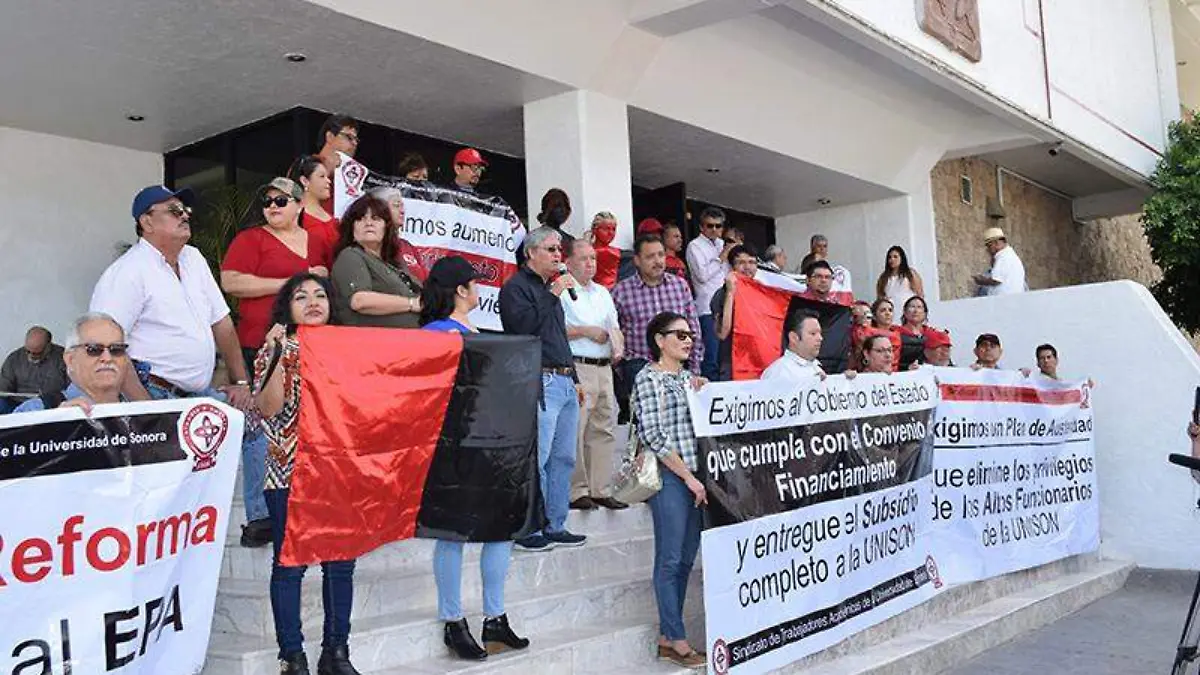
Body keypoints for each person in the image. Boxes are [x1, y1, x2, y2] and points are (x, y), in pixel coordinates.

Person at [91, 185, 268, 547]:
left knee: (251, 422)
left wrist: (241, 383)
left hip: (195, 394)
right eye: (173, 210)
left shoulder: (194, 259)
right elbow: (107, 346)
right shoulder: (128, 272)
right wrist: (146, 410)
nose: (185, 214)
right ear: (146, 222)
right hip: (150, 393)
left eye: (185, 209)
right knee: (164, 492)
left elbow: (222, 323)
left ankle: (260, 519)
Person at [417, 256, 530, 661]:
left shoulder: (475, 332)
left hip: (494, 443)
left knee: (500, 530)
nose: (478, 289)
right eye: (474, 283)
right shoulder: (435, 333)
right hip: (454, 446)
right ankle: (453, 621)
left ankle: (495, 618)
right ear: (461, 290)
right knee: (452, 532)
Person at [253, 273, 361, 675]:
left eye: (320, 295)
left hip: (340, 473)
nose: (313, 301)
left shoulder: (348, 351)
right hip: (291, 474)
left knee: (341, 564)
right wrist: (277, 353)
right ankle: (292, 657)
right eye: (301, 297)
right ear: (288, 309)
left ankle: (336, 653)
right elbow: (269, 408)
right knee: (290, 565)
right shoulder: (275, 349)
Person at [498, 226, 587, 552]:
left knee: (563, 458)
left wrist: (574, 377)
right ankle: (527, 527)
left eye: (559, 250)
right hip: (540, 379)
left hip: (563, 379)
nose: (557, 255)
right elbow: (523, 329)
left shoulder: (551, 290)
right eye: (550, 249)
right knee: (538, 457)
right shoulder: (515, 288)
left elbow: (557, 337)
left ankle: (555, 524)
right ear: (530, 252)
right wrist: (552, 295)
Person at [632, 311, 708, 669]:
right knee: (671, 559)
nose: (687, 340)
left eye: (689, 335)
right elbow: (654, 435)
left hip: (695, 478)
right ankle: (676, 639)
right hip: (670, 479)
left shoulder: (689, 379)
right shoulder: (648, 379)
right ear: (659, 340)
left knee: (686, 558)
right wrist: (688, 478)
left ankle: (668, 636)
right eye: (679, 335)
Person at [222, 177, 333, 375]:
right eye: (267, 202)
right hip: (260, 342)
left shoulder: (316, 242)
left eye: (281, 201)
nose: (272, 206)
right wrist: (291, 282)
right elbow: (231, 282)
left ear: (300, 205)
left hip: (308, 343)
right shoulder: (250, 239)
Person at [560, 239, 627, 511]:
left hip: (604, 366)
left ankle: (601, 489)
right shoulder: (561, 292)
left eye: (594, 258)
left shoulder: (602, 292)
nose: (590, 264)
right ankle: (577, 490)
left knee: (604, 427)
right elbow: (555, 330)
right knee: (578, 428)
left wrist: (618, 345)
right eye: (584, 258)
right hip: (579, 364)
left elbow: (614, 325)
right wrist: (585, 331)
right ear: (568, 262)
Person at [612, 234, 704, 424]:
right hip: (639, 366)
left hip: (678, 366)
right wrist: (623, 370)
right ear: (637, 260)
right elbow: (614, 333)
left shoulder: (680, 286)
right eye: (650, 256)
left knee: (678, 423)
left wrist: (694, 368)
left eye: (661, 255)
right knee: (647, 426)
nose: (658, 261)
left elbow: (693, 328)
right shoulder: (621, 291)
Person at [330, 195, 423, 328]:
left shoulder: (395, 262)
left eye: (375, 218)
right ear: (352, 228)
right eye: (360, 219)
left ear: (387, 227)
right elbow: (359, 301)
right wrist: (411, 303)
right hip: (372, 338)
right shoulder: (350, 255)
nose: (368, 223)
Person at [14, 314, 130, 414]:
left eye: (117, 349)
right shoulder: (35, 411)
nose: (107, 358)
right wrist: (53, 426)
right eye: (94, 349)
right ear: (70, 359)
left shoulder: (136, 411)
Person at [685, 207, 733, 380]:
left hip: (727, 307)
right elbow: (702, 275)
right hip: (707, 309)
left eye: (718, 226)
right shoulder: (694, 246)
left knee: (726, 358)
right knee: (711, 358)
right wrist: (722, 257)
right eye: (710, 225)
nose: (714, 229)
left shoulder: (722, 244)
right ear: (701, 227)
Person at [711, 244, 758, 381]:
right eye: (741, 262)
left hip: (759, 360)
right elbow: (722, 333)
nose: (747, 267)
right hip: (731, 362)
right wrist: (731, 292)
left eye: (751, 262)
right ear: (732, 267)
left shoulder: (763, 292)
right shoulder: (721, 294)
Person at [367, 186, 429, 284]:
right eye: (396, 205)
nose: (402, 211)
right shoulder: (369, 246)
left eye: (402, 206)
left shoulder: (407, 246)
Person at [0, 326, 67, 413]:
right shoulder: (14, 358)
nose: (31, 356)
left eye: (37, 353)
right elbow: (3, 388)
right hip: (19, 404)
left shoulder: (65, 357)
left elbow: (74, 388)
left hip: (52, 405)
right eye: (27, 351)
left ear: (48, 346)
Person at [290, 155, 341, 254]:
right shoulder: (293, 217)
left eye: (327, 177)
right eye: (322, 176)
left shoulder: (334, 217)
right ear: (305, 181)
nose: (328, 181)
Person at [761, 313, 825, 381]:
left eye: (820, 333)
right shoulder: (779, 372)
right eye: (813, 333)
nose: (820, 338)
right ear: (793, 337)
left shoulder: (817, 368)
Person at [315, 114, 359, 213]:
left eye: (356, 139)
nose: (354, 143)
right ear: (330, 137)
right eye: (349, 137)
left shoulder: (351, 176)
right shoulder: (305, 165)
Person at [974, 227, 1027, 296]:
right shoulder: (1010, 255)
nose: (988, 249)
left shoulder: (1003, 257)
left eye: (989, 246)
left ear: (996, 243)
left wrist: (982, 281)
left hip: (1003, 299)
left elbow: (996, 280)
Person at [875, 245, 925, 310]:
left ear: (901, 258)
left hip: (908, 309)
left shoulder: (910, 273)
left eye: (895, 257)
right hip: (890, 310)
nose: (892, 259)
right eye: (890, 257)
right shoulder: (883, 277)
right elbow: (880, 296)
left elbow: (919, 293)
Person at [897, 296, 934, 370]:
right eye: (912, 307)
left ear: (925, 313)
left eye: (919, 307)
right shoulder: (897, 334)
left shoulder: (932, 334)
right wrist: (906, 367)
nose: (915, 311)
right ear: (905, 312)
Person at [590, 212, 621, 289]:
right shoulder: (612, 252)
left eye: (613, 229)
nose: (611, 233)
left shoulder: (615, 251)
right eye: (606, 229)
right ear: (595, 230)